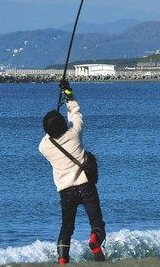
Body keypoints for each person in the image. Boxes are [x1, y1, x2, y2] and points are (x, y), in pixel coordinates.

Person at [39, 79, 106, 264]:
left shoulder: (44, 147)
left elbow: (49, 136)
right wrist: (68, 93)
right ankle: (94, 241)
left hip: (66, 191)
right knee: (97, 223)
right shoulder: (75, 133)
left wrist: (53, 125)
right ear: (63, 124)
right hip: (86, 186)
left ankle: (62, 259)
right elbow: (75, 112)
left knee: (67, 227)